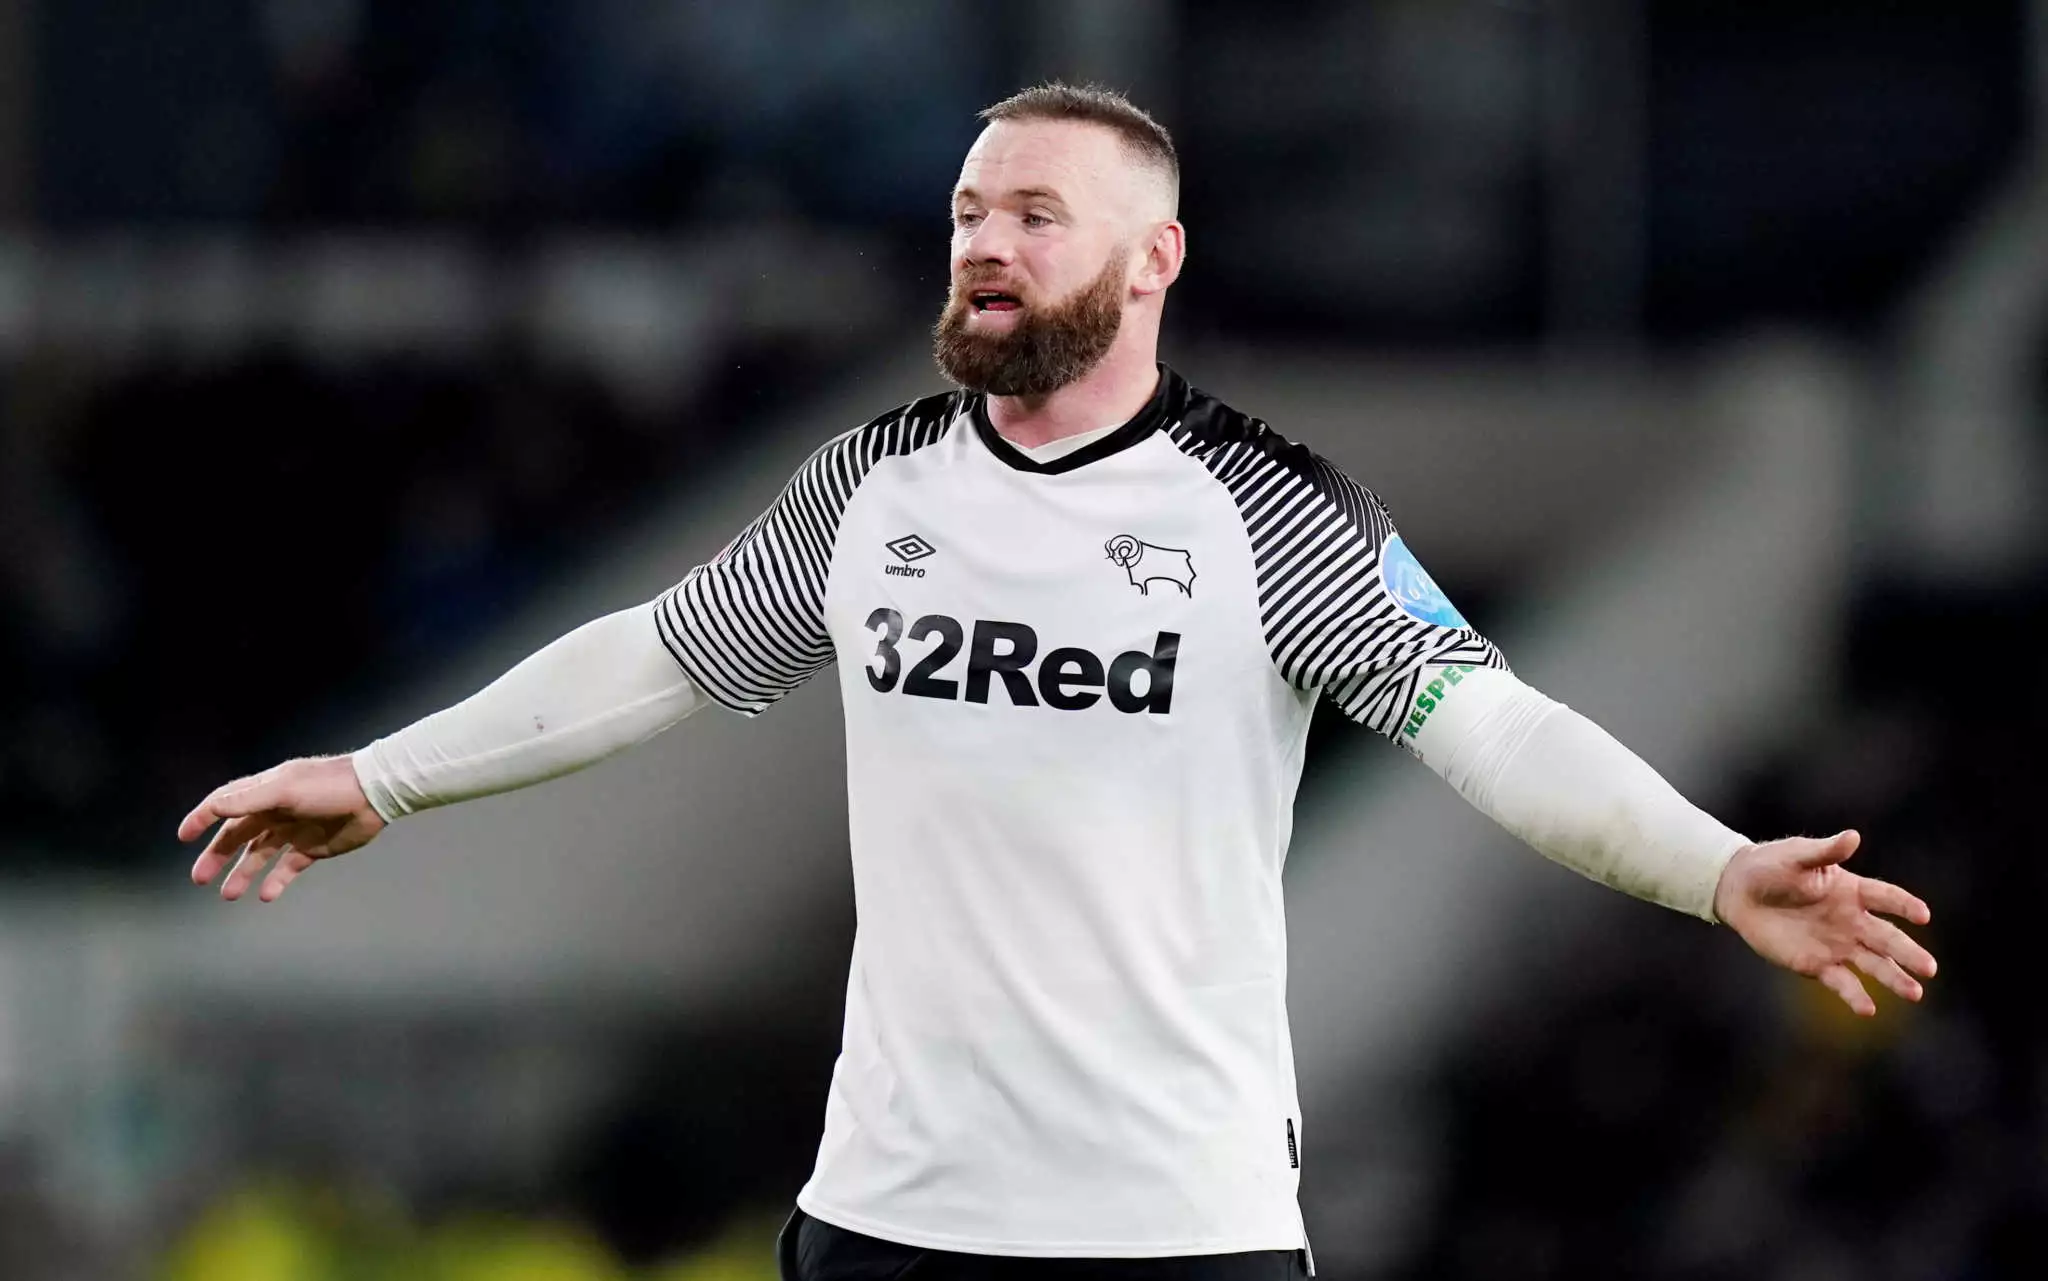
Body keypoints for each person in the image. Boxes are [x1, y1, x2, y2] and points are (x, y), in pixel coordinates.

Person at [178, 84, 1937, 1280]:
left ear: (1153, 260)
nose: (986, 243)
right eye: (968, 211)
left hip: (1173, 1232)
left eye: (1036, 212)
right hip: (889, 1224)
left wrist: (1713, 867)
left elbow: (1491, 724)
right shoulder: (875, 489)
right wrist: (386, 777)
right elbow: (659, 655)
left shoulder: (1269, 511)